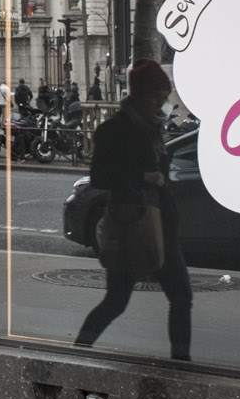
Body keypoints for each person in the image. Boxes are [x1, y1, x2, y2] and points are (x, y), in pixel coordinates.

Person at [74, 59, 192, 361]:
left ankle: (181, 361)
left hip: (162, 222)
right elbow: (100, 176)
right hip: (133, 222)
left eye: (163, 95)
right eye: (156, 95)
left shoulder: (154, 127)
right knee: (117, 300)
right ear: (140, 94)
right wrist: (143, 177)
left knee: (181, 297)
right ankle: (77, 350)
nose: (162, 102)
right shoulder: (114, 130)